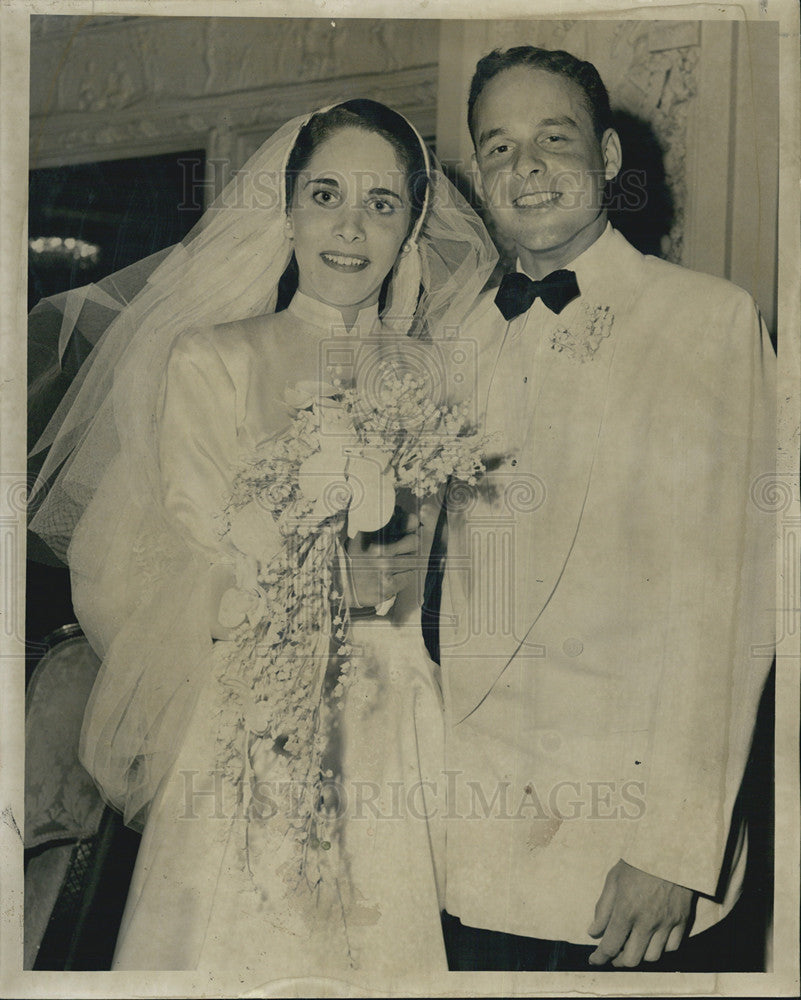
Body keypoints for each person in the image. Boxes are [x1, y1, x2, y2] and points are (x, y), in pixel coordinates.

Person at [28, 99, 497, 978]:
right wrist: (313, 582)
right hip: (255, 720)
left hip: (394, 718)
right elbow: (199, 557)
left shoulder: (431, 374)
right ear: (286, 210)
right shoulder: (214, 358)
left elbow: (424, 578)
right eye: (325, 195)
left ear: (412, 226)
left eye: (382, 204)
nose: (350, 228)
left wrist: (400, 587)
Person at [431, 46, 776, 972]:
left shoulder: (708, 320)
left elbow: (732, 600)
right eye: (497, 148)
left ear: (611, 157)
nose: (526, 167)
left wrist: (673, 846)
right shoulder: (449, 340)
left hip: (624, 866)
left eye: (554, 137)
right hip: (459, 839)